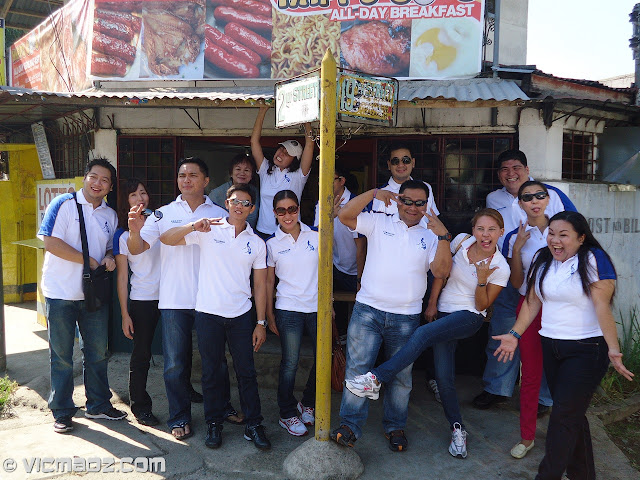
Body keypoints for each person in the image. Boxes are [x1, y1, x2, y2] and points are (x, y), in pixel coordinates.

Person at [345, 209, 510, 459]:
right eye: (480, 229)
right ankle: (458, 430)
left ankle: (376, 378)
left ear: (501, 232)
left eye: (491, 230)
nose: (485, 235)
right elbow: (441, 274)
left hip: (469, 316)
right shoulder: (461, 242)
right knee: (443, 379)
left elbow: (481, 305)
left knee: (421, 335)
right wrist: (432, 303)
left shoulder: (500, 266)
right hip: (444, 312)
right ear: (473, 230)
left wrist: (482, 279)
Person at [493, 211, 634, 480]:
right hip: (552, 346)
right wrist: (514, 334)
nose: (555, 240)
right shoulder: (542, 258)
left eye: (563, 235)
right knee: (572, 415)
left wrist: (613, 348)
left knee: (562, 418)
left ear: (581, 238)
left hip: (586, 349)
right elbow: (532, 302)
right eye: (552, 234)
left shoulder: (593, 258)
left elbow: (602, 306)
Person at [329, 180, 452, 452]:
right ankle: (349, 425)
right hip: (368, 310)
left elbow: (441, 272)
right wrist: (374, 193)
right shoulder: (378, 221)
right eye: (406, 200)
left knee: (401, 375)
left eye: (419, 203)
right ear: (397, 200)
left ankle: (395, 426)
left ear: (427, 205)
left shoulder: (433, 234)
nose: (412, 207)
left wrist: (444, 236)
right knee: (358, 369)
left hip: (406, 316)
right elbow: (345, 215)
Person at [127, 157, 242, 441]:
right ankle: (179, 416)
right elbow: (138, 249)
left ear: (206, 181)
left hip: (211, 300)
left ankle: (221, 408)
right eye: (181, 175)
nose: (186, 180)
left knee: (216, 362)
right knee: (174, 365)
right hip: (174, 300)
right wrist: (134, 231)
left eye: (193, 175)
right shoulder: (162, 214)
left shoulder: (220, 213)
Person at [159, 183, 271, 451]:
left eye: (245, 203)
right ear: (227, 203)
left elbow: (259, 286)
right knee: (211, 373)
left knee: (246, 372)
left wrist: (261, 322)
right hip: (208, 313)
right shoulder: (209, 230)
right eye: (235, 201)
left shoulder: (256, 243)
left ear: (252, 209)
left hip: (241, 315)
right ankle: (214, 423)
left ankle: (253, 424)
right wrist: (192, 226)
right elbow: (166, 239)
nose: (239, 206)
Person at [475, 149, 577, 410]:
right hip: (511, 273)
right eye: (505, 169)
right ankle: (497, 388)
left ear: (527, 169)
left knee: (545, 340)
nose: (511, 173)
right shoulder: (494, 198)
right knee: (502, 331)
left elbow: (575, 228)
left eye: (516, 167)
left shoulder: (551, 194)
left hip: (549, 281)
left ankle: (544, 398)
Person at [38, 158, 126, 433]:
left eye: (104, 180)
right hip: (60, 291)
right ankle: (62, 410)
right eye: (94, 177)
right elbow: (50, 242)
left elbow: (109, 247)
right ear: (85, 177)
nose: (98, 183)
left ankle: (98, 405)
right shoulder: (64, 204)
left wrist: (109, 257)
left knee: (97, 352)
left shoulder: (110, 215)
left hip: (93, 294)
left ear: (110, 187)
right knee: (62, 355)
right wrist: (88, 260)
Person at [504, 181, 552, 458]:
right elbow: (516, 283)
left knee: (563, 374)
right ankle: (527, 437)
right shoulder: (515, 237)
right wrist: (516, 250)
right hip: (529, 308)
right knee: (531, 375)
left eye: (539, 195)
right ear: (520, 203)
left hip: (561, 309)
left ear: (547, 199)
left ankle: (566, 434)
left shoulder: (563, 229)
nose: (534, 201)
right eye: (527, 197)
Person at [266, 190, 318, 437]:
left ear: (299, 209)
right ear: (274, 213)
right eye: (281, 210)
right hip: (288, 308)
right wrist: (268, 316)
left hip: (317, 308)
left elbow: (326, 272)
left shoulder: (317, 235)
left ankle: (308, 403)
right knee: (290, 362)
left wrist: (329, 306)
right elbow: (268, 283)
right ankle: (286, 413)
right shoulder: (271, 243)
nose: (287, 215)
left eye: (292, 209)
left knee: (323, 359)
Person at [113, 178, 161, 426]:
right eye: (133, 195)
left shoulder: (159, 223)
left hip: (172, 296)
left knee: (181, 350)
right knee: (141, 354)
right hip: (143, 299)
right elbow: (122, 277)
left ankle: (187, 390)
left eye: (143, 193)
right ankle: (140, 406)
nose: (140, 198)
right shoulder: (122, 235)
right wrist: (125, 314)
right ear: (125, 201)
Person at [251, 105, 314, 238]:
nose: (281, 154)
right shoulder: (265, 169)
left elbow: (310, 144)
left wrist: (306, 120)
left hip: (289, 232)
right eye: (281, 149)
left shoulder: (298, 176)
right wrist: (262, 111)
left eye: (288, 153)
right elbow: (254, 142)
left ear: (294, 160)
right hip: (263, 232)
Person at [314, 165, 365, 293]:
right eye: (320, 179)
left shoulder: (355, 204)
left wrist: (360, 279)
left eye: (329, 179)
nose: (322, 183)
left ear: (342, 181)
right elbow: (315, 236)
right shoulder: (321, 203)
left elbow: (362, 247)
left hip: (355, 272)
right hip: (333, 267)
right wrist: (330, 217)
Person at [371, 142, 439, 223]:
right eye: (395, 161)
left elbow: (434, 220)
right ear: (389, 165)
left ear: (413, 163)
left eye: (406, 160)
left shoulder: (426, 187)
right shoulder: (380, 194)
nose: (401, 165)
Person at [209, 153, 260, 229]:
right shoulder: (216, 194)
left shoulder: (256, 193)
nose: (242, 173)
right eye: (238, 169)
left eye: (246, 170)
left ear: (252, 175)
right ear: (231, 173)